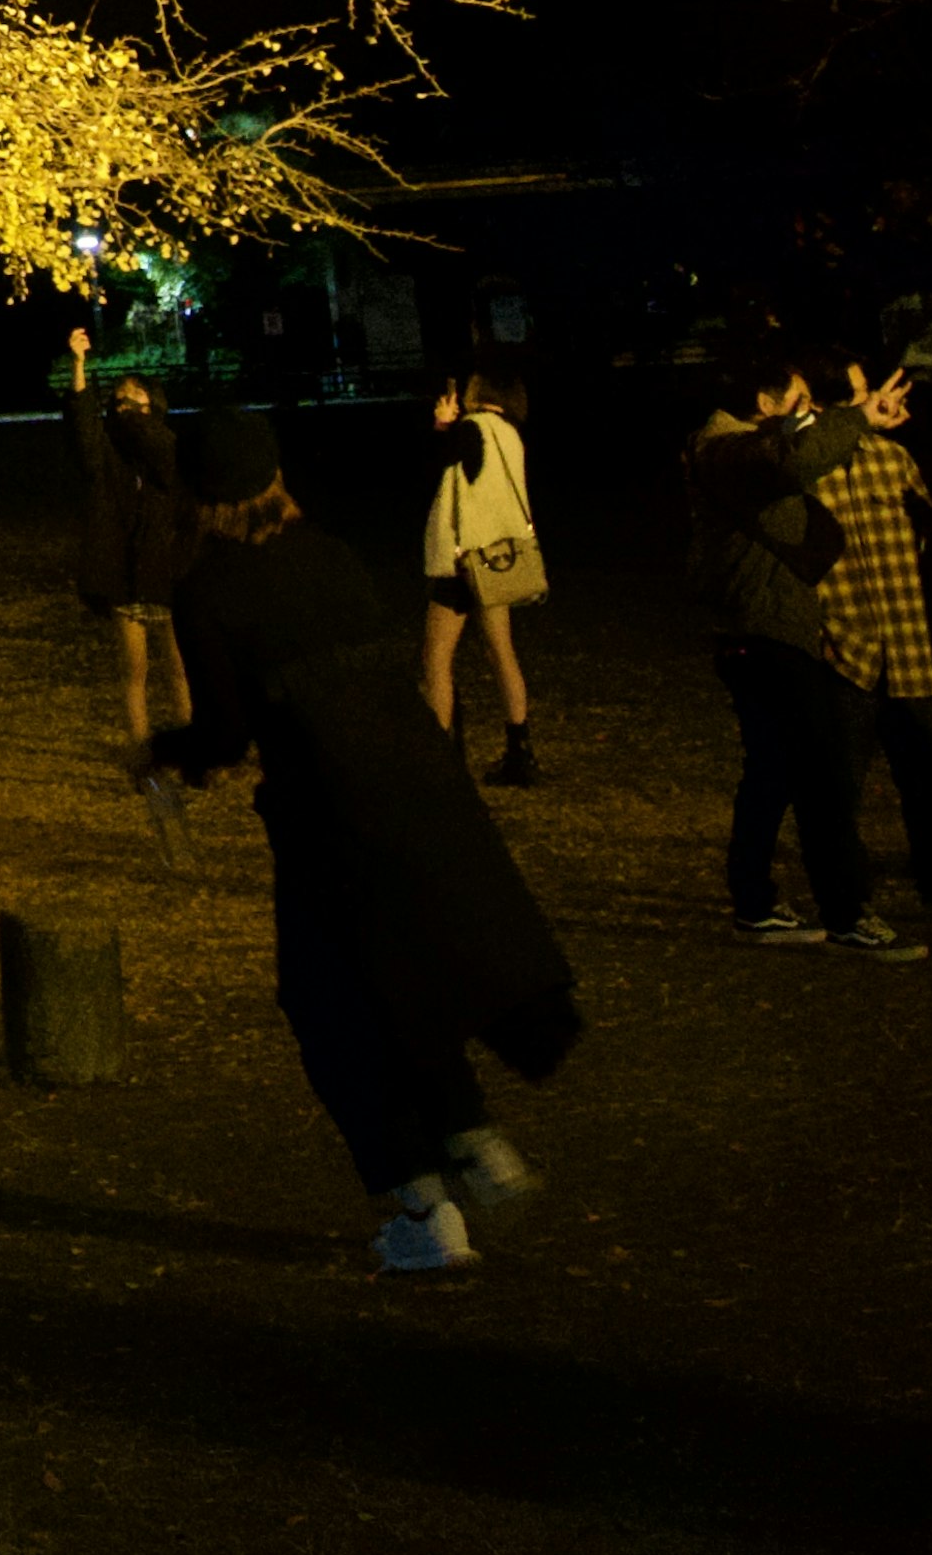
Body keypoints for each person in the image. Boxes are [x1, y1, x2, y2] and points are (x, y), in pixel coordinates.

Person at [144, 407, 583, 1274]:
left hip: (326, 809)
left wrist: (162, 752)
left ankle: (424, 1206)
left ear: (196, 492)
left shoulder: (208, 590)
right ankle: (472, 1135)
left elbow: (228, 735)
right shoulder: (334, 556)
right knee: (409, 972)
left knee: (331, 1004)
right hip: (417, 783)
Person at [681, 348, 910, 953]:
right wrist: (858, 416)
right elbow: (796, 459)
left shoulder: (731, 447)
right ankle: (844, 913)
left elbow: (798, 456)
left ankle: (754, 902)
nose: (809, 414)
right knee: (820, 773)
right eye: (801, 402)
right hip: (767, 631)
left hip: (757, 630)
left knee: (774, 769)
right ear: (764, 404)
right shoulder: (727, 449)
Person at [811, 359, 932, 932]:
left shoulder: (891, 458)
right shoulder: (804, 470)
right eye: (859, 391)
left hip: (906, 645)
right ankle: (850, 905)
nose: (873, 397)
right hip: (843, 648)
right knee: (838, 790)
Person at [62, 324, 196, 744]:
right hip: (125, 581)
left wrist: (142, 423)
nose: (124, 407)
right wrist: (78, 367)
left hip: (169, 579)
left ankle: (194, 744)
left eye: (133, 399)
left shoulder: (169, 448)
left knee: (180, 670)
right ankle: (141, 751)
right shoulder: (107, 454)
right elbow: (84, 430)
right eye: (118, 400)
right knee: (134, 675)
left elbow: (165, 459)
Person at [422, 368, 545, 784]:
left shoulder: (472, 429)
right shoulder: (511, 433)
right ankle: (520, 749)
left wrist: (442, 423)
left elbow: (439, 460)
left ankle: (440, 756)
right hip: (499, 560)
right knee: (502, 652)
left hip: (463, 562)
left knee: (437, 658)